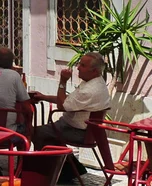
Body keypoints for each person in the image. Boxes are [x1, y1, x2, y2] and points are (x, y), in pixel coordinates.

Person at [31, 52, 111, 183]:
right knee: (49, 135)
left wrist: (62, 81)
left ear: (94, 71)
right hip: (81, 129)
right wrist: (44, 97)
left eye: (83, 65)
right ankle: (69, 168)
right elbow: (70, 100)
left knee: (36, 133)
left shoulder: (90, 90)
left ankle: (44, 174)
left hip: (76, 131)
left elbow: (63, 105)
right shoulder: (97, 82)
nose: (78, 67)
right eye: (79, 64)